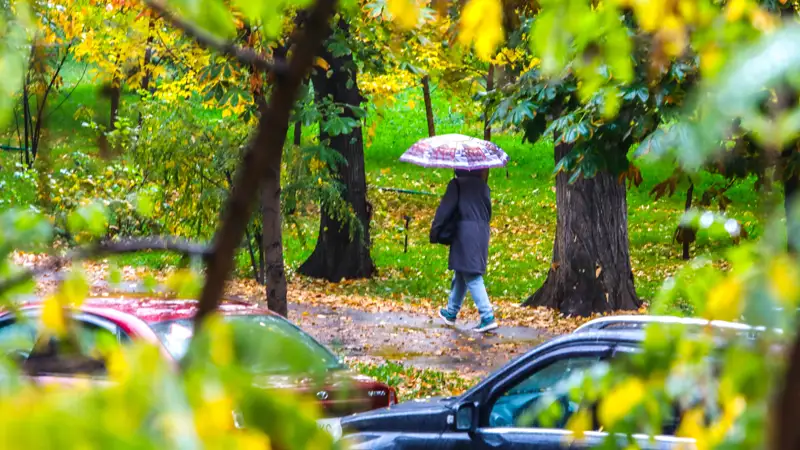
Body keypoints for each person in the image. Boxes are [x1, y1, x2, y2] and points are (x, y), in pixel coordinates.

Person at [430, 168, 498, 332]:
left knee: (472, 275)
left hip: (464, 233)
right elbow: (488, 211)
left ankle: (487, 315)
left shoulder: (457, 185)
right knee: (462, 271)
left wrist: (435, 230)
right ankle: (451, 312)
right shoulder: (483, 186)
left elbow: (445, 210)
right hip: (481, 232)